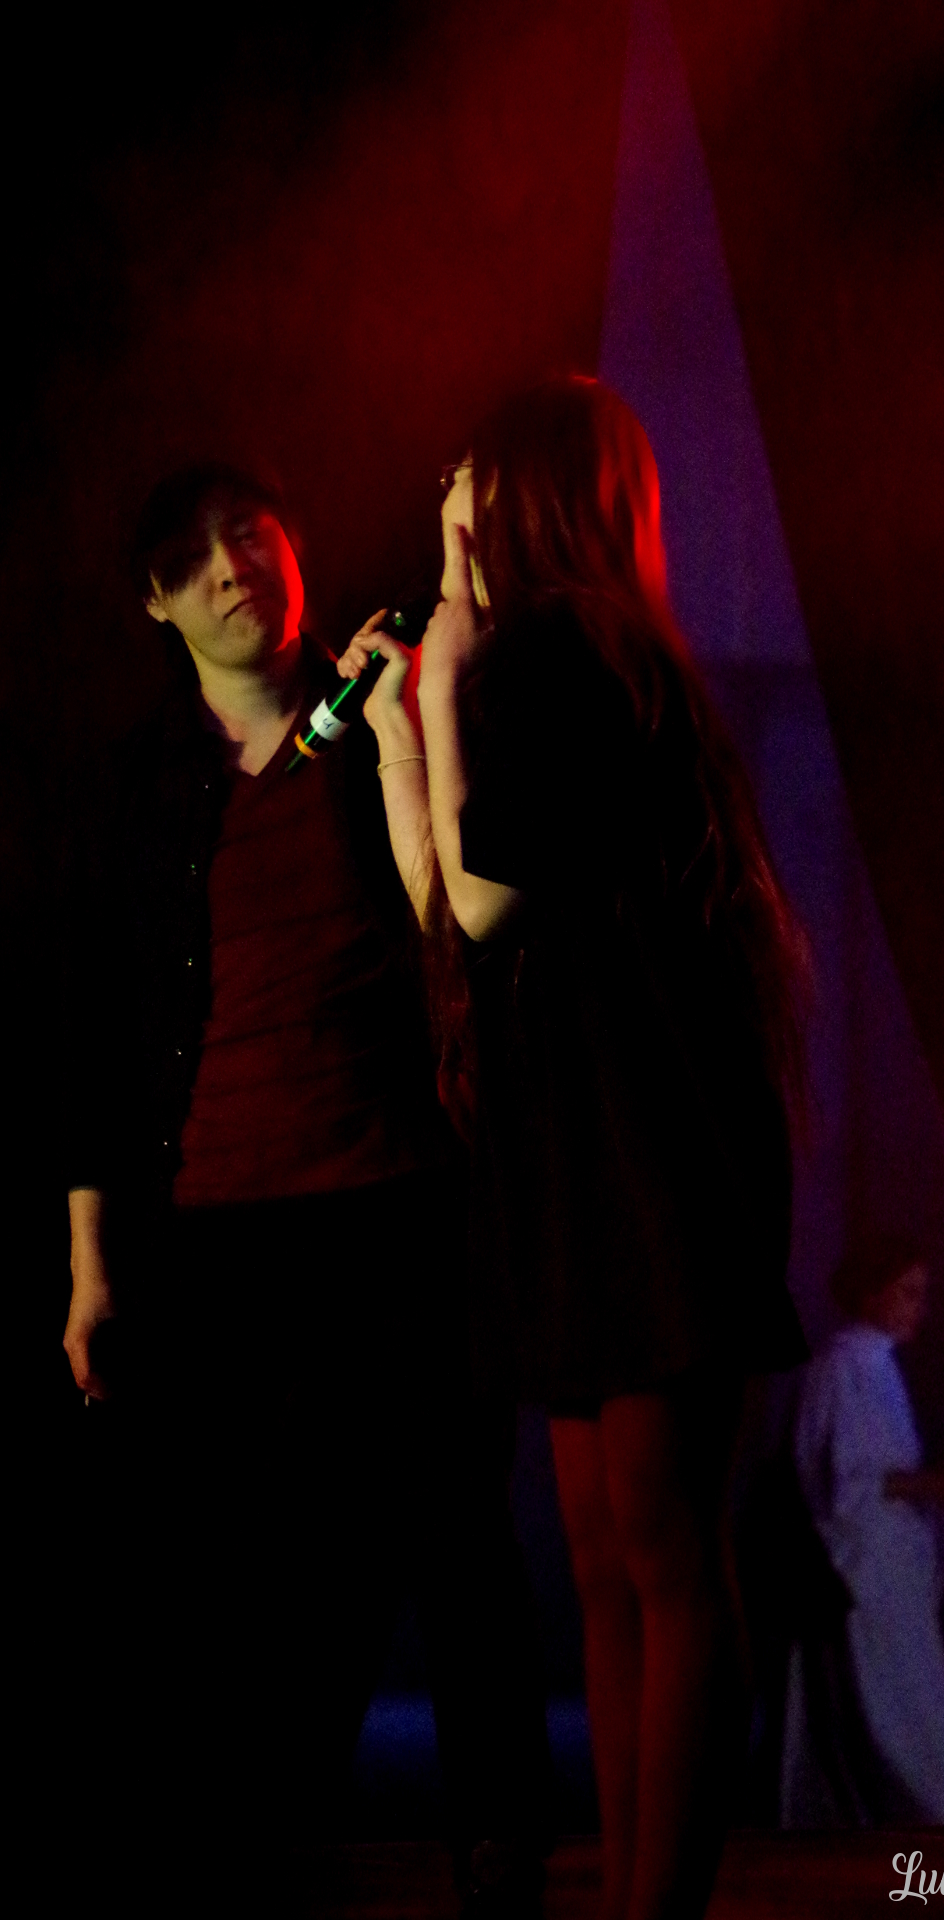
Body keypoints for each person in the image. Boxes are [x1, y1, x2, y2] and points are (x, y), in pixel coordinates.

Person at [339, 375, 808, 1920]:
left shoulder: (573, 655)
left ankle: (654, 1903)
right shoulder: (535, 660)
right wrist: (403, 734)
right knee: (609, 1556)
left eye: (469, 471)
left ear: (531, 490)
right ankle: (630, 1890)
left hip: (646, 1156)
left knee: (662, 1553)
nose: (446, 492)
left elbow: (479, 900)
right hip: (579, 1155)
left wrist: (452, 660)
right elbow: (444, 908)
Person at [60, 463, 547, 1916]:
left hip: (397, 1195)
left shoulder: (380, 707)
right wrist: (89, 1267)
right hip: (210, 1225)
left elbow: (470, 919)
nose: (233, 569)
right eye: (197, 556)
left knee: (456, 1531)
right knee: (245, 1565)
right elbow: (93, 1032)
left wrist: (409, 722)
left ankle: (500, 1843)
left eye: (251, 536)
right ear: (158, 601)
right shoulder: (141, 784)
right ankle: (250, 1842)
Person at [781, 1237, 944, 1828]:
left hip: (890, 1574)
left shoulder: (875, 1366)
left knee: (907, 1703)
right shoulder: (845, 1368)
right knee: (890, 1704)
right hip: (866, 1573)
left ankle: (915, 1816)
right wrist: (937, 1487)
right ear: (871, 1295)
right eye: (907, 1293)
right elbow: (853, 1480)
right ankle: (914, 1816)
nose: (919, 1307)